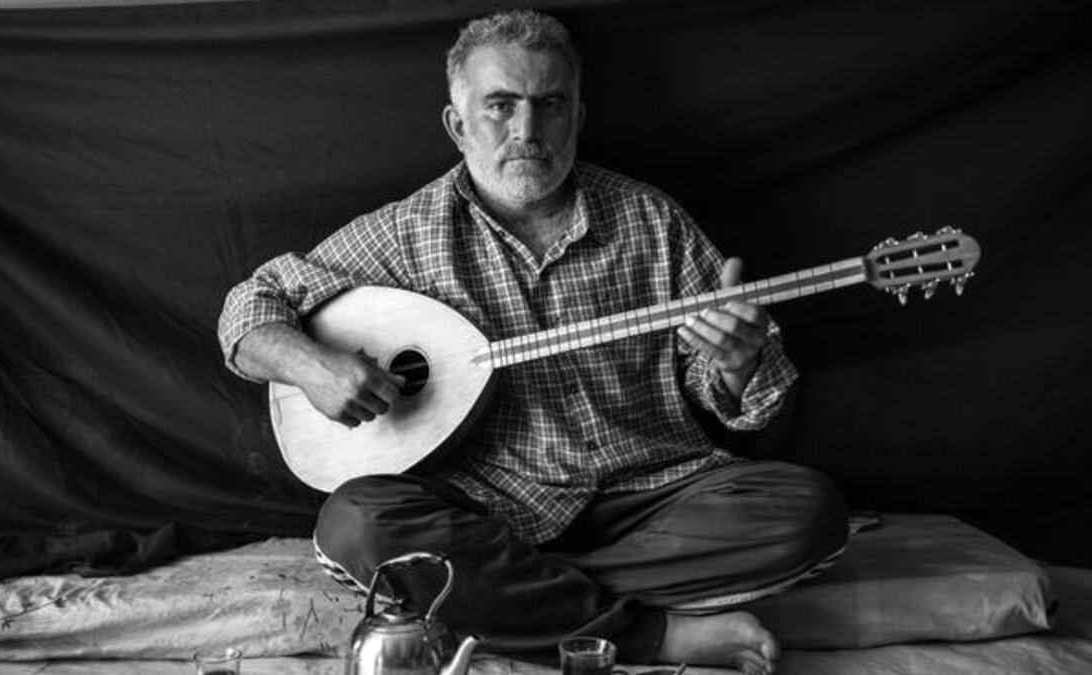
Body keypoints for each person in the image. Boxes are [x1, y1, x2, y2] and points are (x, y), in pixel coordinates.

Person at [218, 9, 848, 675]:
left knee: (805, 512)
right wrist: (311, 364)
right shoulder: (403, 234)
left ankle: (500, 592)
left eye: (550, 105)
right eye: (501, 106)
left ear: (577, 116)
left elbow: (734, 389)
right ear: (458, 125)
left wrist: (738, 362)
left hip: (647, 498)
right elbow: (248, 306)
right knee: (356, 523)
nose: (527, 131)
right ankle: (651, 633)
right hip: (487, 506)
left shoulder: (650, 219)